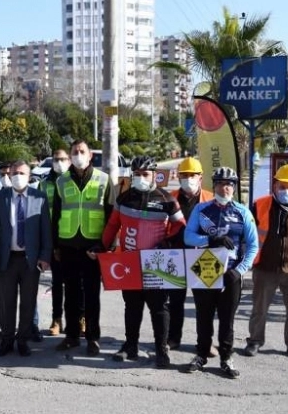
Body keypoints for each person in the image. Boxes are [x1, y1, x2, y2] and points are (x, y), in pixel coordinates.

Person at [101, 156, 186, 368]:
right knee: (132, 307)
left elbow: (180, 227)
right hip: (129, 261)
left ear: (154, 175)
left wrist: (168, 243)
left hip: (156, 262)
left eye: (145, 174)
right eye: (137, 174)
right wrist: (102, 246)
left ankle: (161, 350)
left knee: (159, 308)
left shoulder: (167, 199)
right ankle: (131, 346)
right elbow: (112, 225)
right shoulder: (124, 198)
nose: (141, 178)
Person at [184, 166, 259, 379]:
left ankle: (226, 358)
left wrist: (241, 270)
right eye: (220, 183)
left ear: (234, 188)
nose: (224, 188)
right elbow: (188, 237)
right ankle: (201, 354)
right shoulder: (201, 210)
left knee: (227, 319)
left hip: (231, 272)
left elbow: (253, 245)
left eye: (229, 184)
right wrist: (210, 239)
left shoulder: (243, 212)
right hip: (205, 269)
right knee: (203, 316)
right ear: (213, 185)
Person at [245, 164, 288, 361]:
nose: (285, 190)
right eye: (282, 186)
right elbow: (249, 234)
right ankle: (255, 341)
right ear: (274, 185)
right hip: (265, 267)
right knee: (259, 309)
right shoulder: (259, 205)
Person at [52, 140, 114, 356]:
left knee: (91, 295)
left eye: (82, 152)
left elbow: (111, 217)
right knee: (70, 294)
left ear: (90, 156)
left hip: (92, 248)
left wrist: (103, 246)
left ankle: (92, 338)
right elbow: (56, 216)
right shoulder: (61, 182)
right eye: (75, 152)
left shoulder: (104, 180)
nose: (78, 155)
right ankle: (71, 336)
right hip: (67, 245)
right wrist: (55, 246)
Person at [0, 161, 52, 357]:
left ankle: (22, 340)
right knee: (6, 302)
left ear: (29, 175)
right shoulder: (0, 197)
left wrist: (44, 256)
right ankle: (6, 340)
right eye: (14, 172)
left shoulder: (39, 197)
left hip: (29, 261)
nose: (17, 176)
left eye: (21, 173)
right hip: (7, 260)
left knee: (28, 302)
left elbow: (45, 230)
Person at [167, 157, 214, 355]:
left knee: (204, 303)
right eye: (184, 175)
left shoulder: (211, 200)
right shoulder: (169, 198)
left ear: (200, 177)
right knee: (175, 301)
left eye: (191, 175)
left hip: (204, 256)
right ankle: (173, 338)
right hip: (176, 255)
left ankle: (206, 342)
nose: (188, 179)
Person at [39, 149, 75, 336]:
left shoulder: (74, 181)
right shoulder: (44, 184)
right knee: (57, 283)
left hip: (72, 239)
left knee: (76, 284)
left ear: (69, 161)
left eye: (63, 159)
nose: (59, 162)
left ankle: (78, 319)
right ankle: (56, 319)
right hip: (52, 240)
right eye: (56, 159)